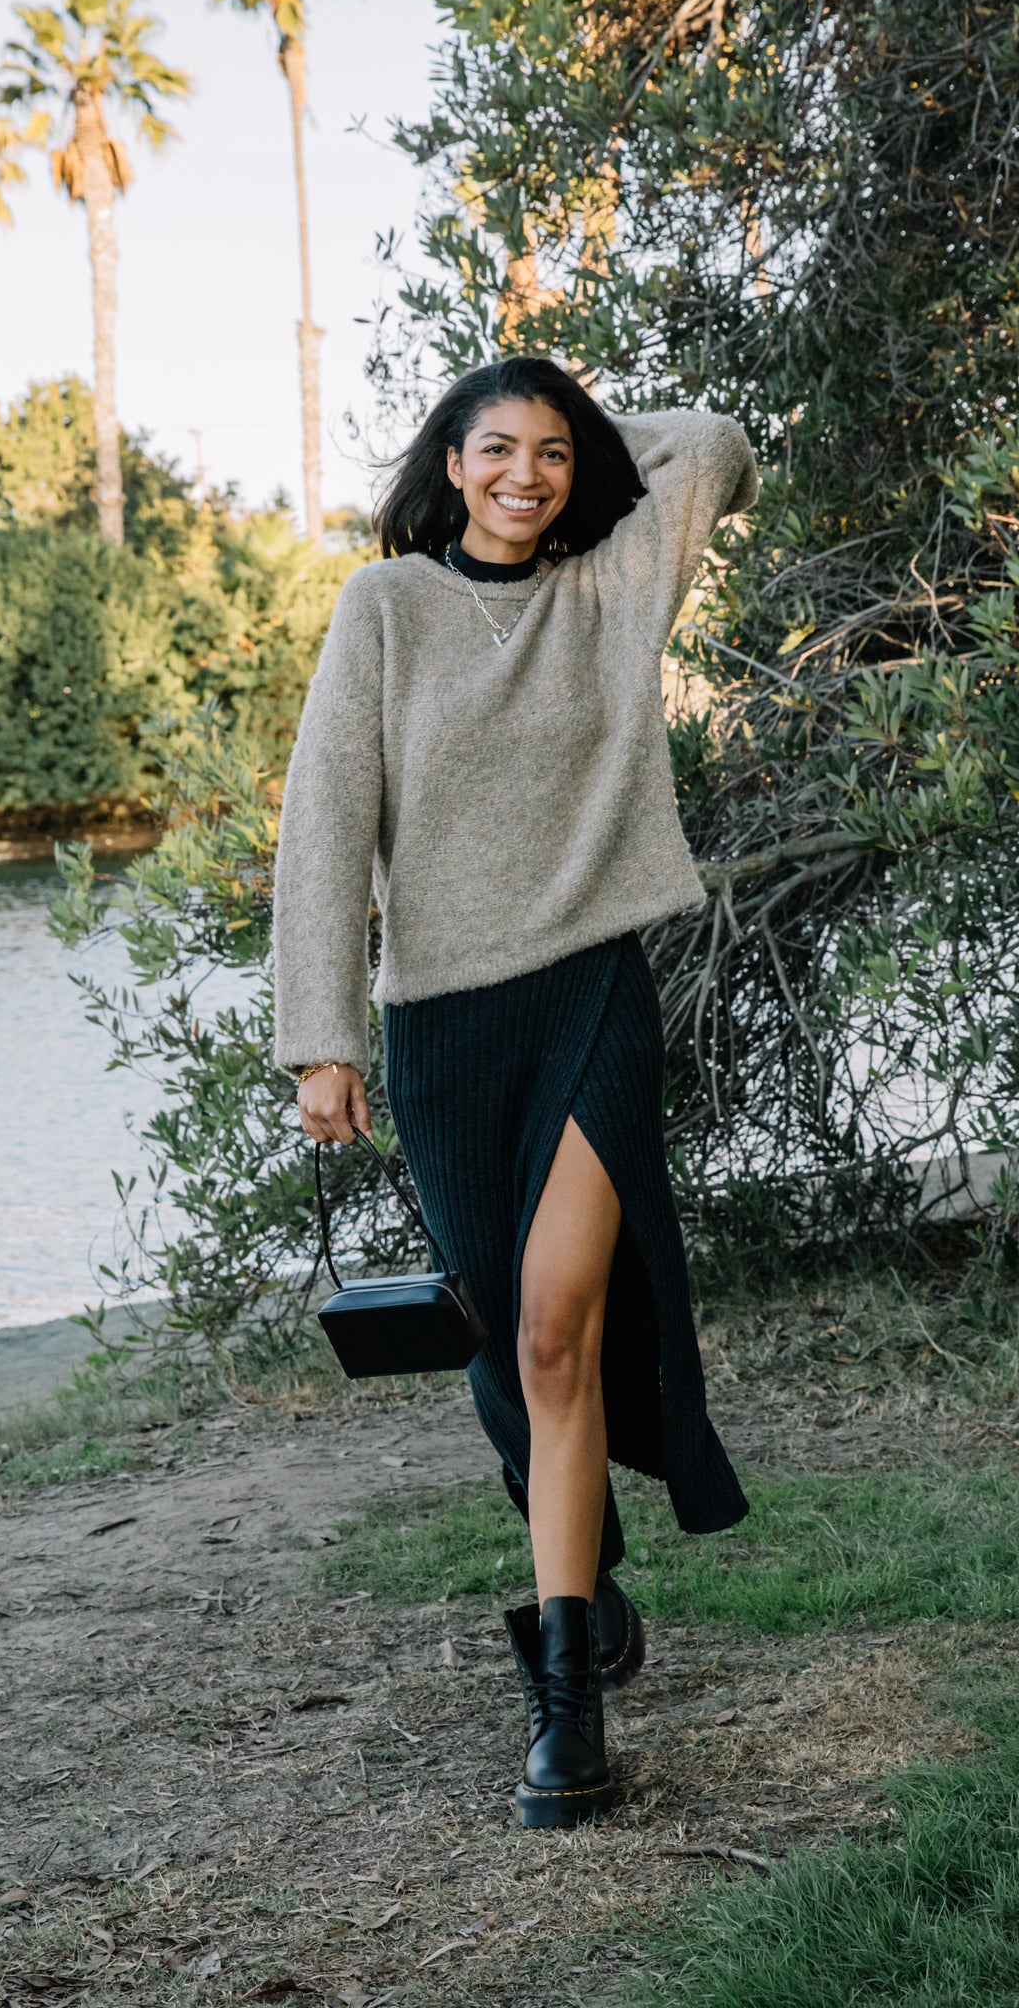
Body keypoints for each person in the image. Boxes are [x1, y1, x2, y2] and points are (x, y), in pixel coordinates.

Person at [272, 354, 758, 1829]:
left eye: (551, 453)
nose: (525, 476)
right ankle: (582, 1570)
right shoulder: (387, 606)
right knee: (513, 1349)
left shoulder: (610, 585)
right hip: (443, 1025)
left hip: (591, 995)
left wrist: (587, 430)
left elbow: (713, 442)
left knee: (555, 1329)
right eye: (495, 450)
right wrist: (321, 1036)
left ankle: (564, 1701)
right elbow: (325, 817)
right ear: (449, 462)